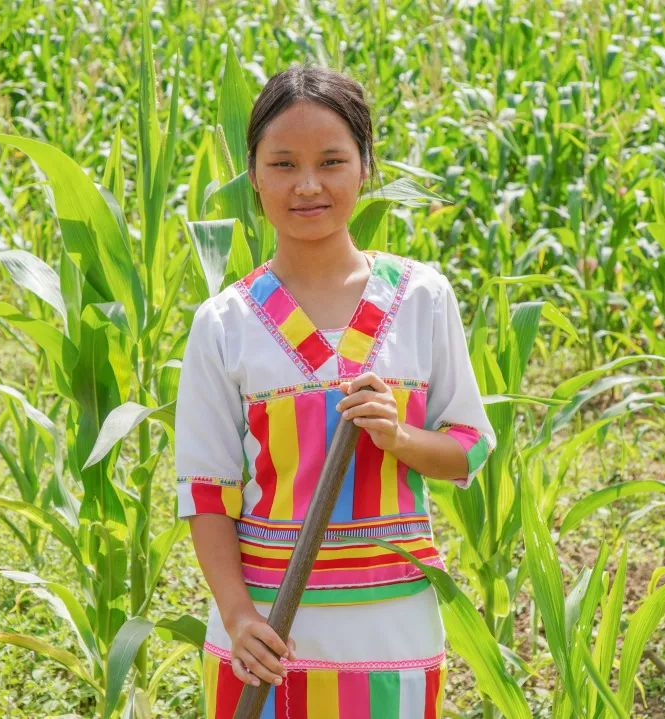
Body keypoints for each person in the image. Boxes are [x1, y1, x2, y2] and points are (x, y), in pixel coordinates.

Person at [174, 64, 496, 718]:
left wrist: (397, 436)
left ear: (365, 166)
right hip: (267, 633)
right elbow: (206, 490)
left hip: (393, 628)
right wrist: (237, 618)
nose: (307, 185)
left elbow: (469, 448)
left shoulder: (423, 298)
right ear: (253, 174)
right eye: (283, 164)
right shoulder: (224, 323)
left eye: (330, 161)